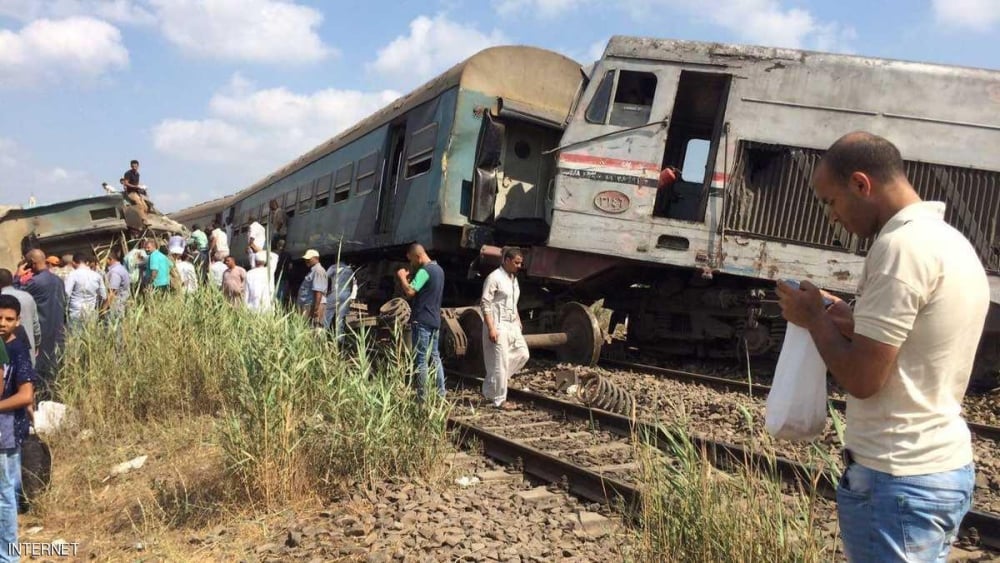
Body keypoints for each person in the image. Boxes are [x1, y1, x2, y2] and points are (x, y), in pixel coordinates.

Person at [776, 131, 990, 563]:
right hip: (940, 467)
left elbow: (863, 379)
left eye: (831, 202)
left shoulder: (898, 249)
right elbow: (917, 344)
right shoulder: (952, 243)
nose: (832, 217)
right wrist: (846, 320)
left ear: (861, 184)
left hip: (898, 479)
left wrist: (814, 319)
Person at [0, 295, 37, 556]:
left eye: (9, 319)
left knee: (4, 498)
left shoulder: (16, 350)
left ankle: (8, 556)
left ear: (18, 321)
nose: (2, 323)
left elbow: (26, 395)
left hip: (7, 432)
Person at [480, 247, 529, 409]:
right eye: (516, 263)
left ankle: (491, 384)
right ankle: (499, 400)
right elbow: (485, 303)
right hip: (498, 323)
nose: (519, 266)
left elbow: (513, 302)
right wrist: (491, 328)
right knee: (500, 363)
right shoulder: (494, 278)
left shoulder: (513, 279)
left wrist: (518, 320)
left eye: (521, 263)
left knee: (523, 354)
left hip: (512, 324)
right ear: (507, 261)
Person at [396, 243, 445, 400]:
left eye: (411, 260)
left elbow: (410, 292)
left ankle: (422, 396)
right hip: (435, 319)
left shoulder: (425, 271)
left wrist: (402, 277)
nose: (411, 264)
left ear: (418, 256)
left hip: (422, 320)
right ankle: (440, 394)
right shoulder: (439, 270)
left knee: (421, 359)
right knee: (435, 357)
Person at [14, 249, 65, 397]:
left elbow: (14, 294)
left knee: (41, 367)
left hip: (43, 329)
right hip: (59, 328)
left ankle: (43, 395)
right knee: (56, 365)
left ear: (32, 263)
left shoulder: (34, 282)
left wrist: (18, 276)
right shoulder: (58, 280)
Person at [0, 269, 40, 368]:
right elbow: (36, 325)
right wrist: (37, 344)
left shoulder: (2, 298)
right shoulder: (27, 297)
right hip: (28, 350)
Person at [64, 252, 107, 329]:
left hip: (76, 311)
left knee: (75, 336)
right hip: (91, 312)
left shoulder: (73, 275)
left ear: (73, 262)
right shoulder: (97, 276)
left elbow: (67, 293)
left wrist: (65, 309)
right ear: (86, 262)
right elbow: (104, 296)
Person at [324, 259, 356, 343]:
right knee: (341, 318)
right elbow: (352, 284)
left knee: (327, 316)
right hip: (346, 294)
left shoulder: (333, 267)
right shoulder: (349, 270)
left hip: (335, 294)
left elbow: (325, 278)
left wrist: (326, 292)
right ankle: (340, 340)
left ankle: (323, 336)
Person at [298, 250, 327, 326]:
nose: (306, 260)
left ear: (316, 258)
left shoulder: (318, 271)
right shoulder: (313, 271)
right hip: (309, 305)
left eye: (309, 259)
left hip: (312, 306)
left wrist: (316, 309)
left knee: (314, 330)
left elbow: (318, 291)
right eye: (306, 259)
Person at [103, 248, 130, 323]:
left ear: (109, 259)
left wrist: (103, 309)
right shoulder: (121, 268)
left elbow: (112, 293)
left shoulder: (115, 272)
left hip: (115, 305)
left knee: (114, 329)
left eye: (104, 260)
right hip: (121, 303)